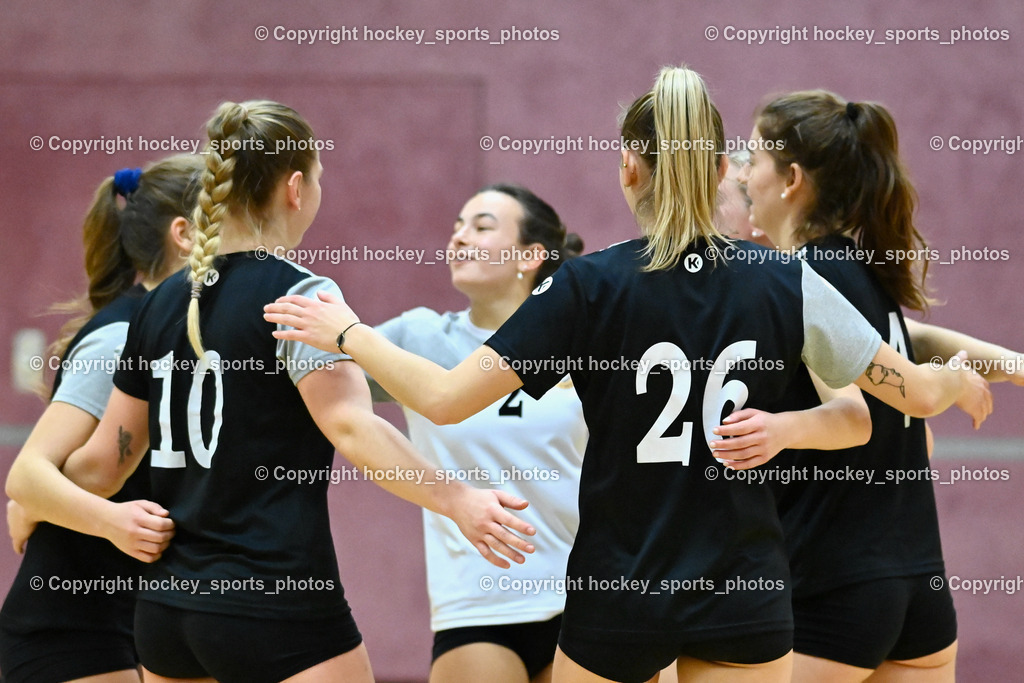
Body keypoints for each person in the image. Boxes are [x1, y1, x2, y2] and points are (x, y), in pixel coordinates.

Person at [264, 67, 991, 683]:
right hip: (745, 591)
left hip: (621, 590)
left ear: (628, 170)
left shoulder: (587, 285)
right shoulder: (787, 281)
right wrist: (959, 378)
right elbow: (908, 396)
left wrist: (347, 332)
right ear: (720, 171)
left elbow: (444, 398)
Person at [49, 100, 536, 683]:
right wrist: (458, 500)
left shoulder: (159, 303)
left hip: (167, 615)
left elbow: (102, 466)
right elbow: (352, 427)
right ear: (296, 188)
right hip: (275, 602)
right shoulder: (299, 297)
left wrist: (38, 491)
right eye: (320, 179)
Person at [734, 89, 1023, 683]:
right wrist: (1013, 364)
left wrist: (954, 381)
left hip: (835, 587)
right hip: (920, 593)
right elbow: (908, 344)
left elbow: (906, 384)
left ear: (791, 179)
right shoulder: (860, 272)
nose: (742, 174)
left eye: (754, 158)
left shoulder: (804, 279)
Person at [370, 183, 586, 683]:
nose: (459, 238)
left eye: (482, 227)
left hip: (582, 599)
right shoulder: (418, 336)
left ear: (530, 255)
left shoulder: (580, 340)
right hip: (476, 605)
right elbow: (318, 390)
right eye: (456, 227)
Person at [2, 155, 200, 683]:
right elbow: (26, 475)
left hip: (135, 617)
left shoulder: (191, 331)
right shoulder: (119, 338)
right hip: (68, 628)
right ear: (184, 235)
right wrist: (109, 521)